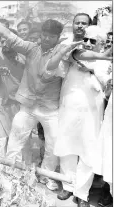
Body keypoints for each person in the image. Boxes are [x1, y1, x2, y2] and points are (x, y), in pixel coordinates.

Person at [0, 15, 77, 191]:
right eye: (45, 35)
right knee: (16, 139)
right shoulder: (31, 49)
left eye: (51, 36)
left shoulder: (62, 52)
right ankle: (8, 171)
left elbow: (80, 55)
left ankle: (47, 176)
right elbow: (8, 34)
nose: (47, 39)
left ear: (58, 37)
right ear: (40, 34)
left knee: (52, 144)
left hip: (50, 108)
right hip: (28, 106)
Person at [49, 25, 112, 207]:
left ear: (101, 43)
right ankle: (68, 186)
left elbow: (107, 91)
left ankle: (81, 193)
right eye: (86, 39)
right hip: (69, 109)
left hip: (92, 114)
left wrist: (100, 78)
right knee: (66, 148)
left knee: (89, 153)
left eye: (93, 41)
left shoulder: (107, 63)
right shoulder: (74, 55)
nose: (88, 43)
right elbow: (72, 57)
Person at [0, 29, 25, 158]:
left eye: (7, 42)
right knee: (0, 140)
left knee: (17, 143)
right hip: (1, 103)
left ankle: (14, 172)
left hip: (19, 106)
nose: (4, 45)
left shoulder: (24, 58)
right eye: (2, 41)